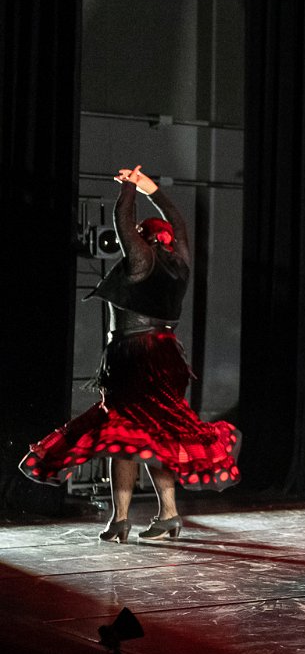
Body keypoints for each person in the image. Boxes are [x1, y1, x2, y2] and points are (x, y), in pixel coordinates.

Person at [19, 166, 241, 541]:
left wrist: (128, 189)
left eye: (138, 234)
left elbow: (122, 222)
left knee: (122, 435)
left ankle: (123, 519)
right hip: (167, 357)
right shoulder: (181, 261)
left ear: (145, 238)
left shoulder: (142, 261)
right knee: (153, 437)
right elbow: (179, 222)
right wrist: (150, 188)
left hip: (136, 358)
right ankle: (164, 515)